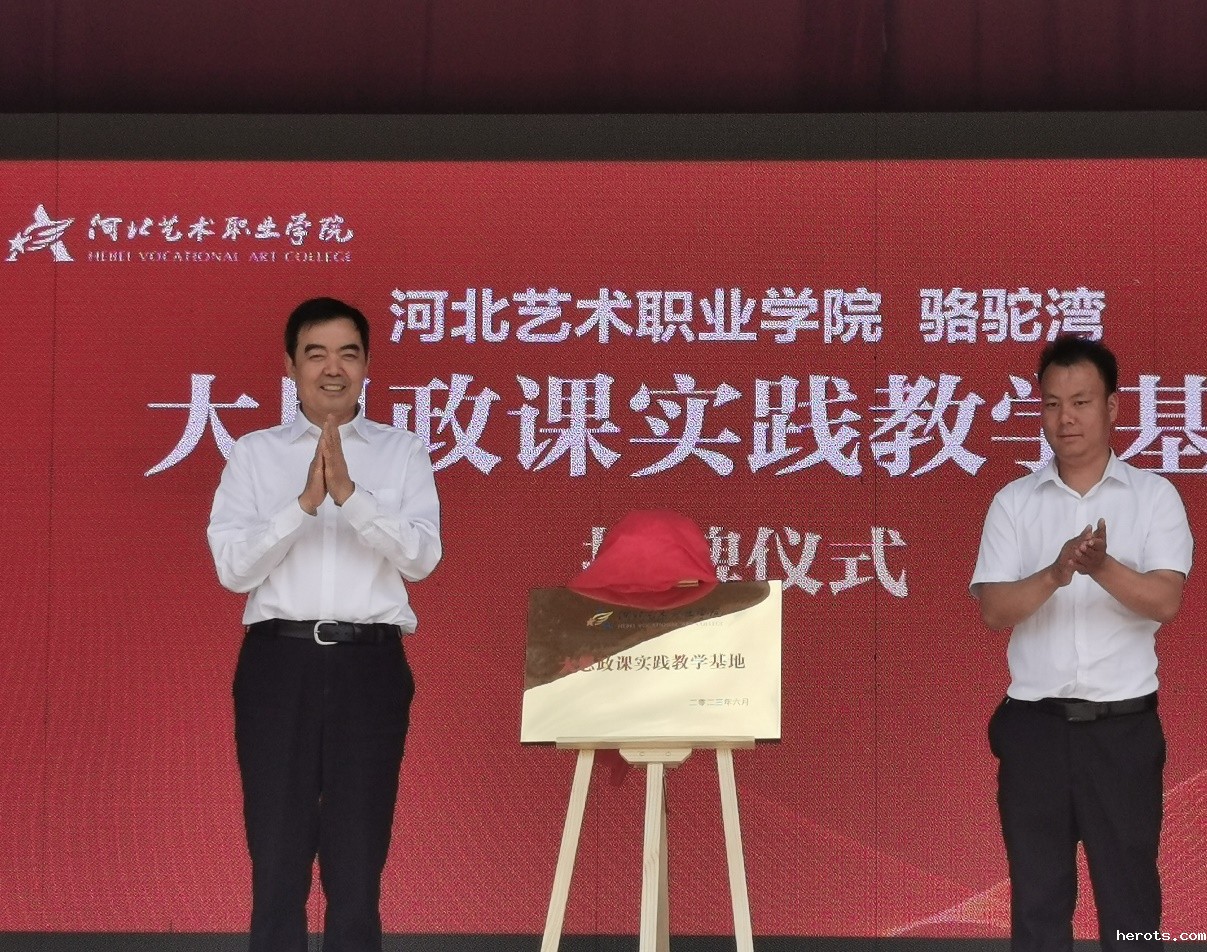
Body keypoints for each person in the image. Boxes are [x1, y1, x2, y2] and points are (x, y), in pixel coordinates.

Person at [208, 297, 441, 952]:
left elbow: (422, 558)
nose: (332, 369)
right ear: (290, 366)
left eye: (348, 354)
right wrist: (305, 504)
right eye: (316, 354)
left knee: (357, 859)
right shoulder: (255, 455)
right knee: (276, 856)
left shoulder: (401, 452)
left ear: (366, 365)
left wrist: (352, 500)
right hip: (278, 666)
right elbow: (233, 569)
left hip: (370, 666)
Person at [971, 335, 1193, 952]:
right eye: (1051, 404)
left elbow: (1166, 600)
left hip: (1122, 734)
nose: (1064, 418)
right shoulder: (1014, 502)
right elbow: (994, 610)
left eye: (1081, 402)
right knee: (1038, 902)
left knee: (1130, 902)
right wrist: (1056, 571)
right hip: (1034, 733)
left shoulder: (1154, 496)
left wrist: (1101, 566)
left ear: (1113, 407)